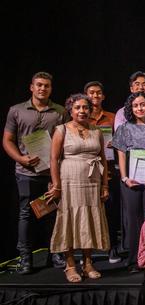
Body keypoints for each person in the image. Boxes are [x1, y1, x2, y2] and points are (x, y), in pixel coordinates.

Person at [3, 71, 67, 274]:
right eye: (39, 85)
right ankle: (25, 258)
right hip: (25, 172)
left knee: (53, 214)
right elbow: (7, 140)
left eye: (46, 85)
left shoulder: (59, 112)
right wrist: (20, 159)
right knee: (26, 214)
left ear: (51, 88)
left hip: (51, 173)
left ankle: (55, 253)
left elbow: (64, 143)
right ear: (31, 87)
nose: (42, 88)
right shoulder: (16, 110)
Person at [44, 94, 110, 282]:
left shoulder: (97, 131)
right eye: (78, 108)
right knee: (69, 220)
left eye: (85, 108)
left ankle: (88, 263)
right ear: (70, 110)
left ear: (90, 110)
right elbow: (54, 159)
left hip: (92, 183)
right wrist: (56, 185)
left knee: (89, 219)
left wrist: (105, 185)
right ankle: (70, 265)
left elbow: (103, 159)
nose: (82, 111)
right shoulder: (61, 130)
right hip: (69, 182)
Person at [113, 92, 145, 273]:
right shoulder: (124, 129)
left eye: (142, 105)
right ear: (130, 109)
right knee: (133, 221)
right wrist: (125, 178)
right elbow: (120, 155)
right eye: (135, 106)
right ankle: (134, 260)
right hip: (131, 182)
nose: (139, 108)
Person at [85, 80, 121, 264]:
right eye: (91, 93)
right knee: (88, 212)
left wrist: (114, 143)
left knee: (111, 212)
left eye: (99, 93)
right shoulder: (80, 116)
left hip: (109, 171)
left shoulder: (112, 117)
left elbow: (121, 140)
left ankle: (112, 247)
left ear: (103, 96)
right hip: (87, 173)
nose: (95, 96)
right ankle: (87, 252)